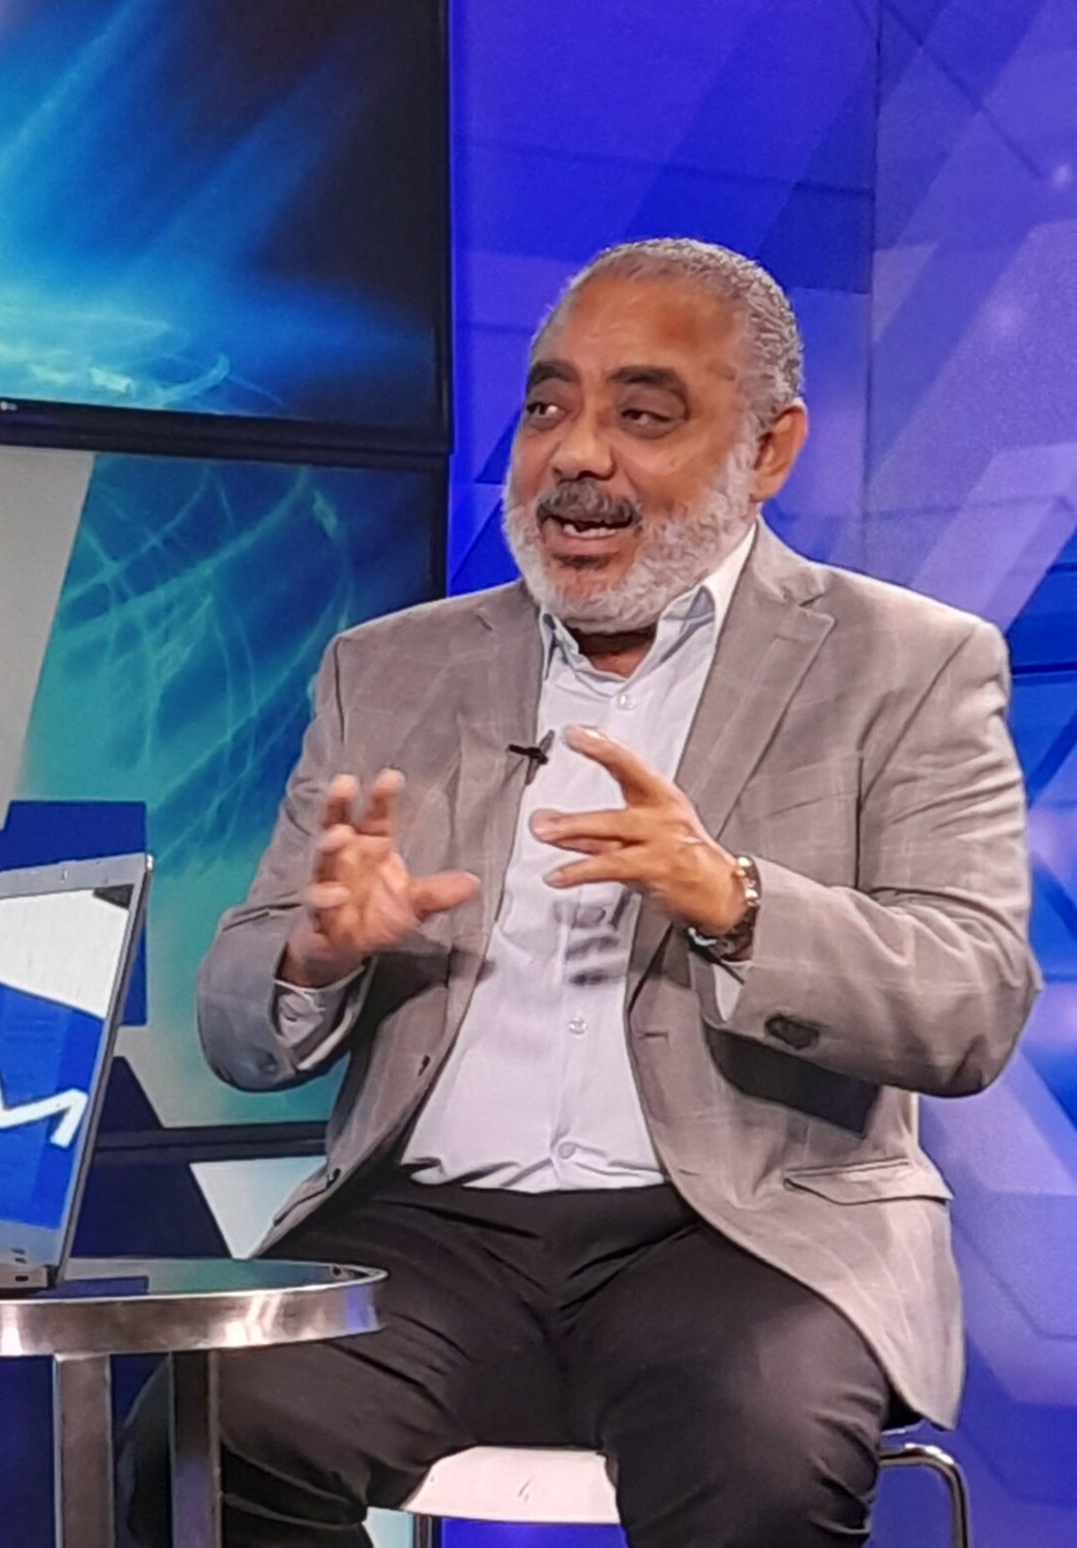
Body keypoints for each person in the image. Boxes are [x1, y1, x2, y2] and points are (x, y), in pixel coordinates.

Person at [159, 238, 1035, 1547]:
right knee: (203, 1433)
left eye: (643, 415)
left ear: (771, 450)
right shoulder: (388, 668)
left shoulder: (908, 665)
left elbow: (970, 1002)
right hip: (433, 1235)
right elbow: (235, 1032)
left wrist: (739, 905)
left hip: (749, 1239)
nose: (576, 456)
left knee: (761, 1461)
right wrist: (316, 958)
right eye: (547, 407)